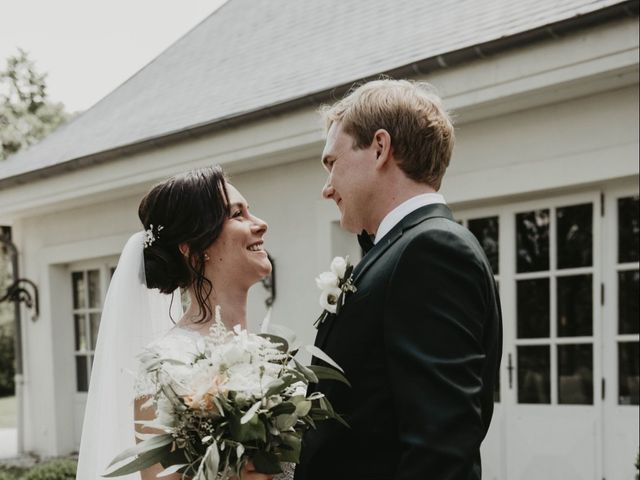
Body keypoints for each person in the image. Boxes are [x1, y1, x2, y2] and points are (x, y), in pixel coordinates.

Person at [295, 80, 503, 480]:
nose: (326, 188)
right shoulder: (399, 249)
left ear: (379, 148)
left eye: (331, 163)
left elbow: (440, 450)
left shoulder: (432, 251)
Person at [76, 166, 280, 480]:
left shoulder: (269, 353)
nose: (261, 223)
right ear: (193, 248)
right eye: (237, 215)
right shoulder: (164, 368)